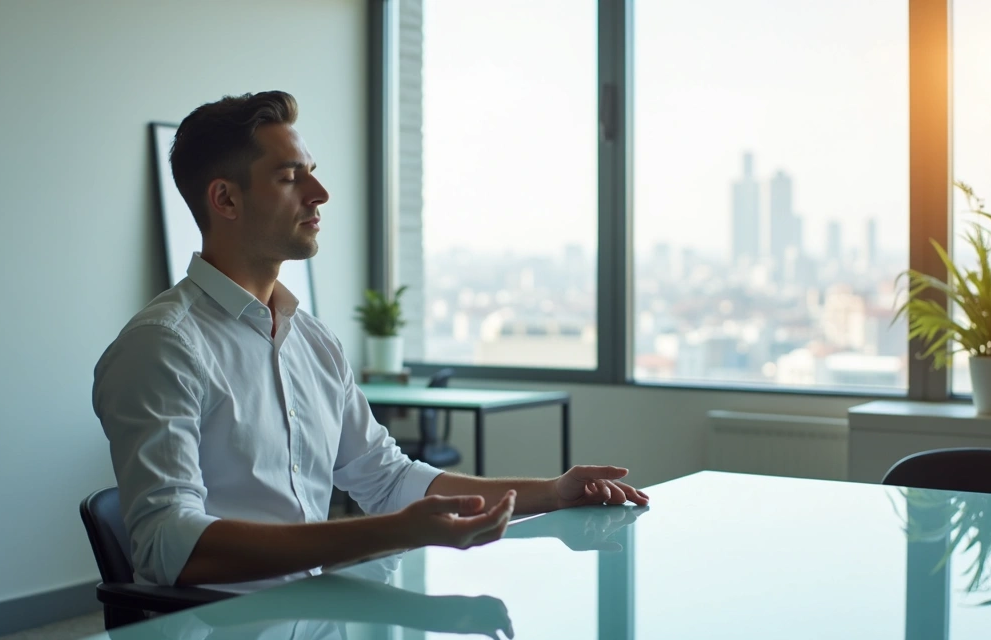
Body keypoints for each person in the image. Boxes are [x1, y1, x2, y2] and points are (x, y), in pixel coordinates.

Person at [92, 90, 649, 594]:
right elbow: (170, 547)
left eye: (311, 171)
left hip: (312, 613)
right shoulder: (162, 347)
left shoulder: (312, 342)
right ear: (226, 200)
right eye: (290, 177)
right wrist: (383, 535)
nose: (320, 193)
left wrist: (553, 493)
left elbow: (387, 479)